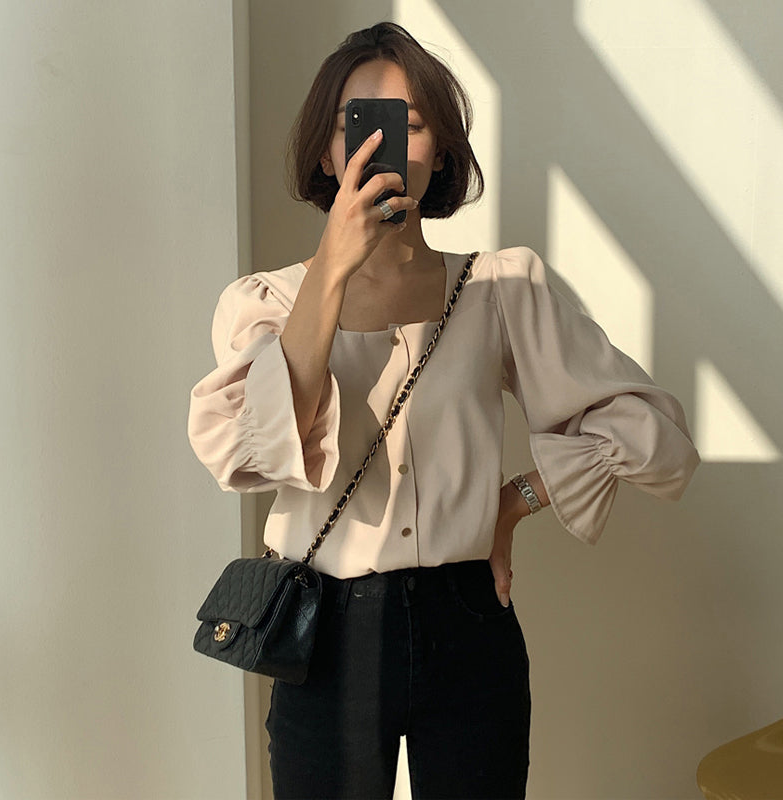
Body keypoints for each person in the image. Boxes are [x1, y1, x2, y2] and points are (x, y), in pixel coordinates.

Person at [188, 21, 699, 800]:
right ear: (326, 153)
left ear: (442, 150)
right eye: (357, 123)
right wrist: (333, 270)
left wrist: (514, 501)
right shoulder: (267, 304)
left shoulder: (501, 289)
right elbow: (245, 452)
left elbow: (654, 432)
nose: (382, 144)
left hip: (467, 622)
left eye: (412, 123)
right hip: (323, 630)